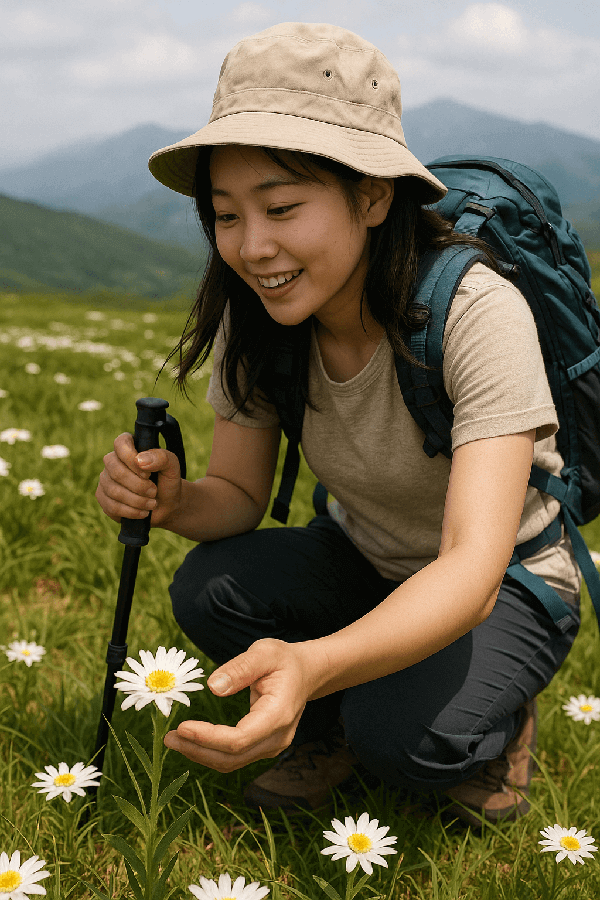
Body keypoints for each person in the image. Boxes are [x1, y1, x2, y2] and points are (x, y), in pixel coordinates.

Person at [95, 22, 581, 826]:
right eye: (224, 215)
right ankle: (328, 723)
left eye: (282, 206)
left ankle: (491, 720)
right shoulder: (258, 320)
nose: (252, 248)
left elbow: (470, 569)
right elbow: (240, 497)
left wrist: (313, 662)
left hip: (502, 584)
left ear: (373, 195)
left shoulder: (474, 312)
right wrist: (174, 502)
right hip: (365, 553)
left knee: (406, 742)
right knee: (210, 587)